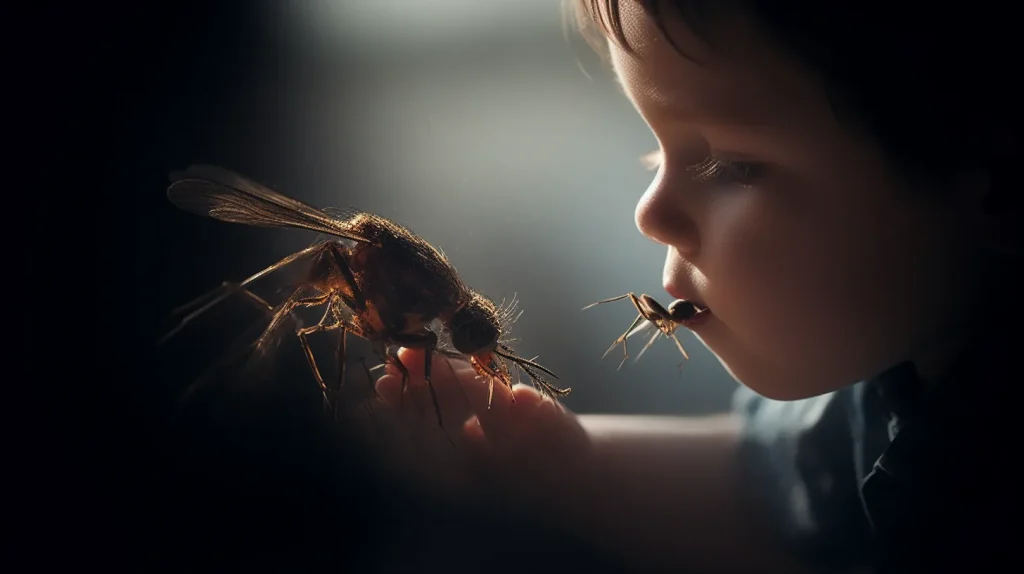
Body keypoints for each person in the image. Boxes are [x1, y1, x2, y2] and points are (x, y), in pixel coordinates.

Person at [367, 2, 1021, 572]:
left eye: (733, 164)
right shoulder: (888, 399)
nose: (647, 215)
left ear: (995, 185)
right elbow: (769, 494)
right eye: (656, 154)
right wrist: (567, 467)